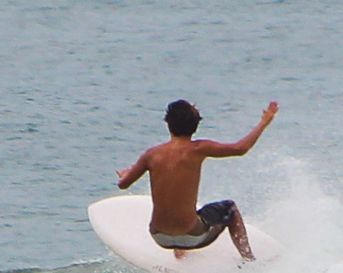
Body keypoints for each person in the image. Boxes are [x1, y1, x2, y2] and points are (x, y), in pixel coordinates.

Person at [116, 100, 278, 260]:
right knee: (230, 208)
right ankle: (248, 259)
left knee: (186, 210)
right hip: (193, 236)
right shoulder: (198, 149)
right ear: (195, 125)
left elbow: (123, 184)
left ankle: (179, 250)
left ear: (168, 124)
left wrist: (126, 174)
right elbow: (240, 149)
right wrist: (264, 122)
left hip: (159, 237)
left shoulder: (151, 155)